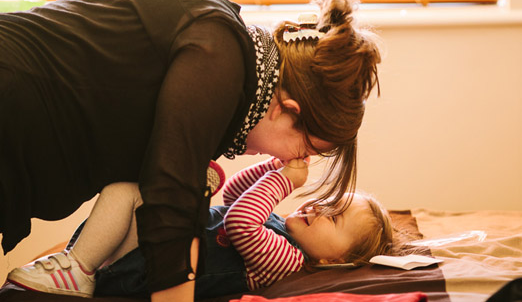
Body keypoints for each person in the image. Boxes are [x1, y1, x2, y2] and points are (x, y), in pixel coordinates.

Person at [0, 0, 381, 301]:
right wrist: (277, 179)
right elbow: (172, 198)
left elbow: (184, 188)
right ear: (287, 110)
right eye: (307, 149)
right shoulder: (218, 57)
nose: (295, 160)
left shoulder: (227, 40)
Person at [6, 156, 395, 299]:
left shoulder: (288, 262)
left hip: (145, 266)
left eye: (334, 216)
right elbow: (236, 198)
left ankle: (80, 271)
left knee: (131, 191)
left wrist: (283, 182)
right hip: (155, 245)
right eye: (326, 201)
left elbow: (241, 221)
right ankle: (79, 263)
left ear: (336, 260)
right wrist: (273, 166)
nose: (319, 208)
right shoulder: (282, 229)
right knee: (129, 187)